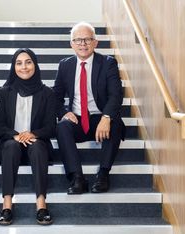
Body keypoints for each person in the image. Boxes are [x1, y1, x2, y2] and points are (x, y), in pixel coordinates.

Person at [53, 22, 125, 194]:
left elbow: (116, 95)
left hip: (99, 118)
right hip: (77, 118)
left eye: (87, 39)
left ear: (95, 42)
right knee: (62, 126)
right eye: (78, 40)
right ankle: (77, 178)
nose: (83, 44)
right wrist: (64, 112)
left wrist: (106, 117)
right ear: (71, 44)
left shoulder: (108, 63)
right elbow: (55, 96)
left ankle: (103, 175)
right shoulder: (65, 65)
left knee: (115, 123)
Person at [0, 48, 55, 225]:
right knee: (11, 146)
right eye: (19, 63)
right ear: (14, 67)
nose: (24, 67)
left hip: (37, 142)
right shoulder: (5, 92)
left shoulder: (47, 93)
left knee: (36, 147)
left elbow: (51, 127)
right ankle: (7, 205)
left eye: (28, 62)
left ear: (35, 64)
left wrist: (33, 134)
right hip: (11, 142)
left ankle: (41, 205)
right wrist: (15, 136)